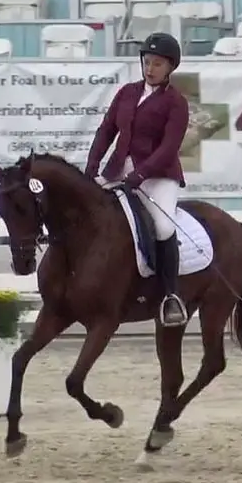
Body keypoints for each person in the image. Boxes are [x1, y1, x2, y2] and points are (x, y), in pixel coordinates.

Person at [85, 32, 190, 327]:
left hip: (158, 176)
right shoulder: (127, 93)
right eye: (147, 62)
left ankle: (171, 296)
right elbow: (106, 130)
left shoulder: (176, 103)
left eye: (157, 64)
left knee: (163, 226)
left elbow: (170, 147)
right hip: (118, 170)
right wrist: (92, 166)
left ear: (170, 68)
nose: (150, 68)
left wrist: (141, 174)